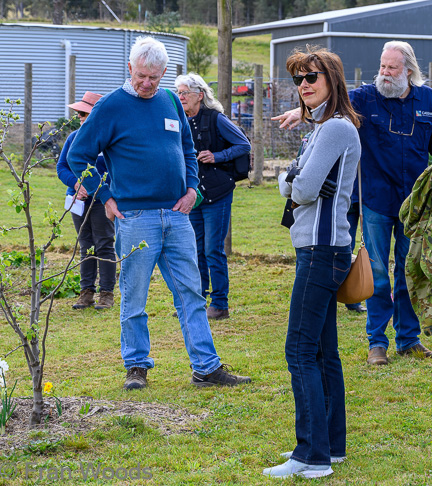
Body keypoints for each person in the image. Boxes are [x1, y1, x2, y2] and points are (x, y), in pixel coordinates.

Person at [65, 36, 251, 391]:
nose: (147, 84)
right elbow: (78, 156)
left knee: (192, 295)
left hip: (177, 217)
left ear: (164, 73)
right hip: (135, 218)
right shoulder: (110, 106)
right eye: (141, 76)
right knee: (134, 297)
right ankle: (136, 366)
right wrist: (104, 194)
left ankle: (206, 367)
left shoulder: (169, 100)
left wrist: (193, 189)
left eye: (154, 77)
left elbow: (187, 148)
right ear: (130, 69)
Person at [275, 41, 432, 366]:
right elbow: (327, 103)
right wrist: (300, 112)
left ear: (408, 70)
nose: (384, 72)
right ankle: (377, 343)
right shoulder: (364, 97)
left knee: (410, 271)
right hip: (375, 199)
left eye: (391, 68)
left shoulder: (429, 100)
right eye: (382, 66)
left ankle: (408, 339)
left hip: (415, 203)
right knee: (378, 273)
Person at [264, 47, 362, 480]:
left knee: (300, 350)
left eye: (312, 77)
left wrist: (291, 180)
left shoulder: (335, 129)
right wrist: (297, 178)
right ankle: (331, 447)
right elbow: (301, 181)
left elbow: (300, 189)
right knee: (323, 352)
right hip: (323, 247)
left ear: (331, 81)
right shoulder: (322, 126)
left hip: (322, 250)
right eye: (299, 79)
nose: (304, 85)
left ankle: (310, 456)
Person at [174, 73, 251, 321]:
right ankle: (198, 302)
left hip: (218, 193)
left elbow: (244, 145)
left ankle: (220, 304)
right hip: (194, 195)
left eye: (185, 92)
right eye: (178, 93)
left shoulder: (216, 118)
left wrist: (217, 156)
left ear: (200, 94)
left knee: (213, 250)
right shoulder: (180, 119)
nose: (181, 97)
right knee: (195, 249)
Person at [57, 91, 116, 310]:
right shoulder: (73, 138)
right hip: (77, 200)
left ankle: (107, 293)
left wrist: (98, 189)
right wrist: (75, 184)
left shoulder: (109, 140)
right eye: (79, 113)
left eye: (85, 113)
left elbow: (115, 170)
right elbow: (62, 166)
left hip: (102, 200)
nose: (80, 117)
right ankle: (86, 292)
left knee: (104, 244)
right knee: (85, 245)